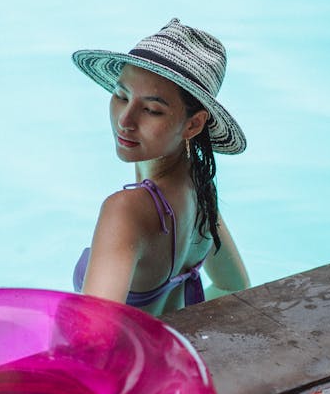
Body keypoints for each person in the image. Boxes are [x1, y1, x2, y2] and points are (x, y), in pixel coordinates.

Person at [72, 17, 250, 317]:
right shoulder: (199, 188)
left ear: (193, 124)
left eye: (152, 109)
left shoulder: (126, 212)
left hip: (126, 362)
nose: (124, 121)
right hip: (166, 356)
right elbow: (234, 286)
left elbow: (95, 340)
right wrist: (171, 335)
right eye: (121, 95)